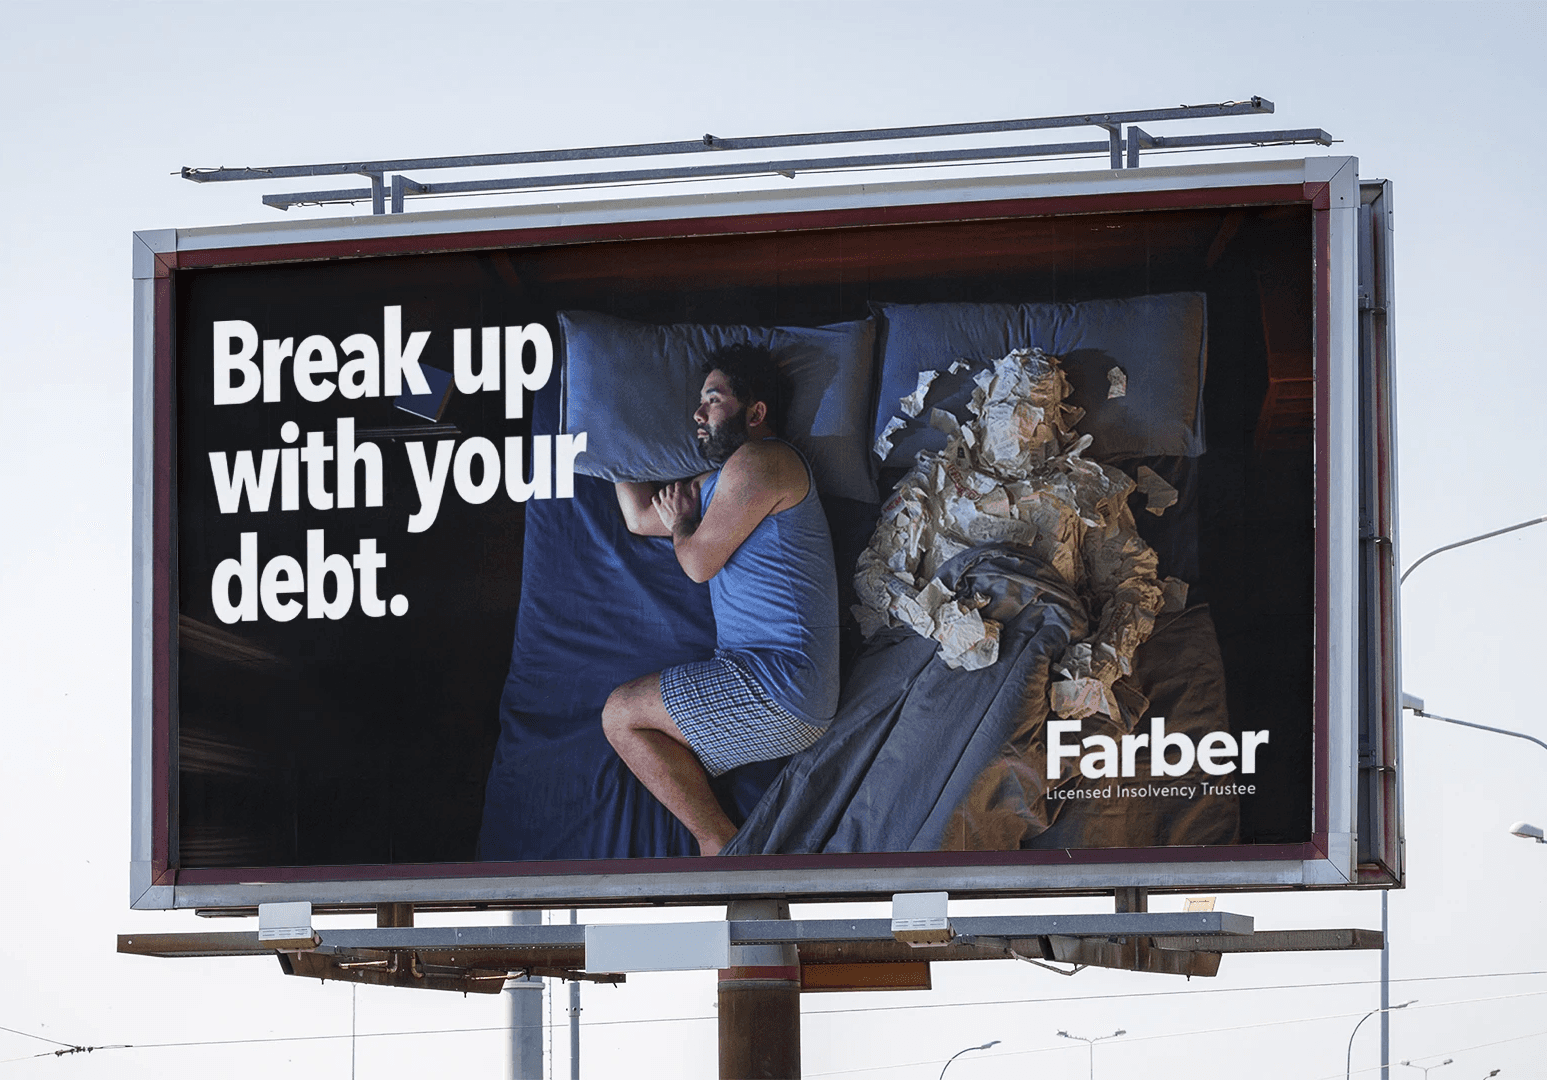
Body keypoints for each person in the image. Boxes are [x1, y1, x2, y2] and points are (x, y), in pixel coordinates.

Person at [603, 343, 839, 855]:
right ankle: (722, 839)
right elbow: (642, 517)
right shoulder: (727, 480)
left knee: (620, 714)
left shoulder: (764, 462)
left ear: (755, 413)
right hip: (772, 682)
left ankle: (719, 844)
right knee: (625, 715)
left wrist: (685, 525)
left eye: (713, 399)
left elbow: (696, 563)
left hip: (780, 683)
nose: (697, 413)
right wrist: (611, 438)